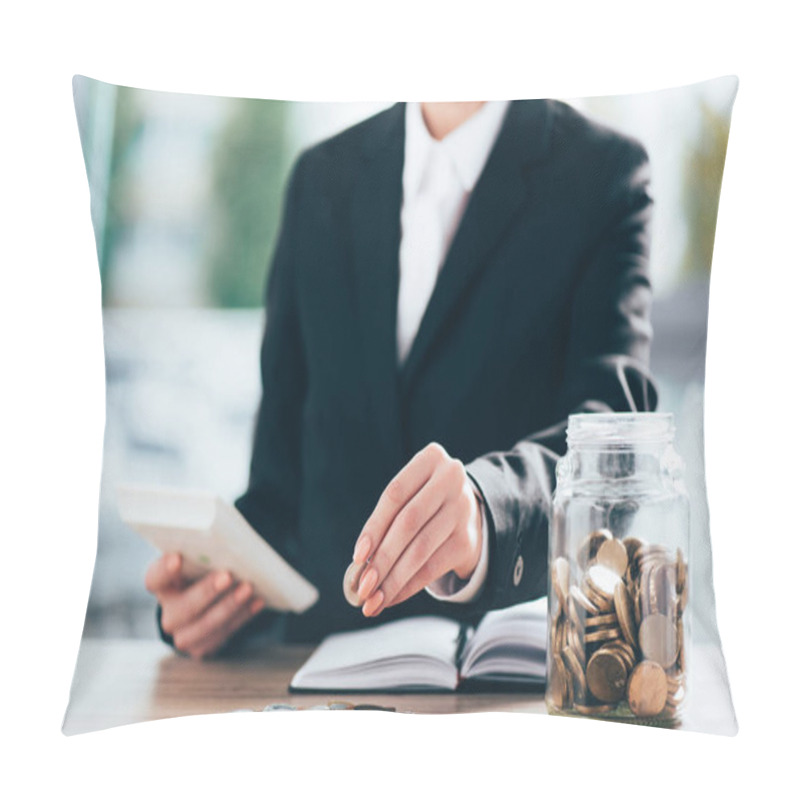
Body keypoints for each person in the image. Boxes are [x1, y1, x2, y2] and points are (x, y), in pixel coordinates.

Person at [145, 98, 657, 659]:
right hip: (308, 680)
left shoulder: (604, 175)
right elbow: (279, 492)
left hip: (498, 682)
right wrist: (209, 594)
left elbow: (612, 440)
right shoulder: (319, 180)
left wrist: (487, 511)